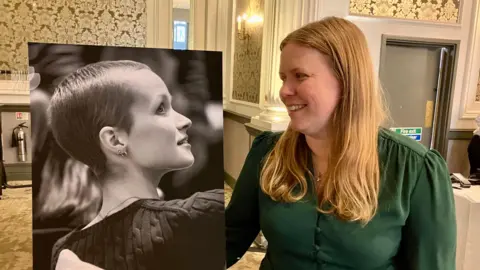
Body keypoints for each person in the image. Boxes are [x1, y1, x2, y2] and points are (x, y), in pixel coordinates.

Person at [225, 17, 456, 270]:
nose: (283, 91)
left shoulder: (414, 169)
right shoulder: (268, 152)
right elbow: (228, 237)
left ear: (347, 81)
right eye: (283, 78)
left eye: (299, 76)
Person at [48, 60, 225, 270]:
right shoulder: (202, 215)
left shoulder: (65, 252)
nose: (185, 120)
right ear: (114, 140)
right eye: (161, 109)